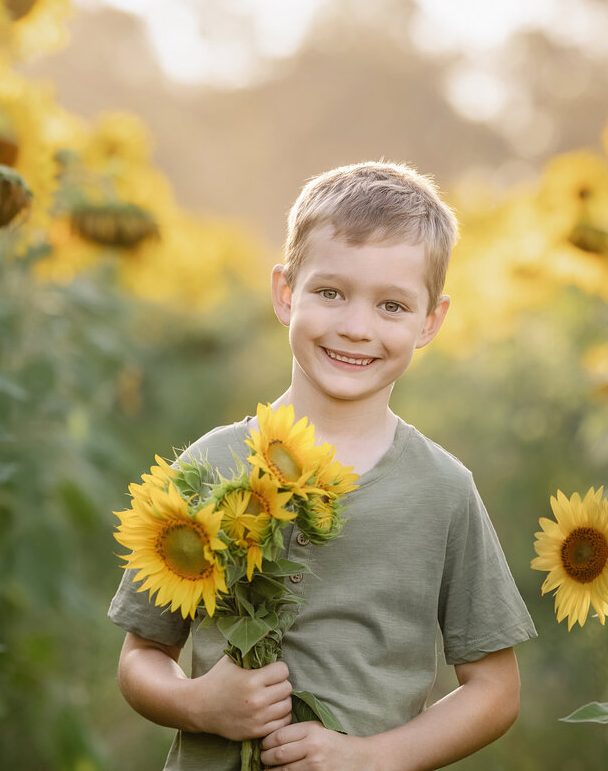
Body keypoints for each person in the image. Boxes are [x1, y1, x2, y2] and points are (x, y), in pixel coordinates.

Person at [109, 161, 536, 770]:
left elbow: (495, 689)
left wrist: (373, 759)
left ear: (430, 322)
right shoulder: (211, 466)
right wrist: (200, 704)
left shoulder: (442, 490)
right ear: (286, 294)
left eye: (392, 306)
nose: (356, 328)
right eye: (331, 293)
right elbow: (141, 654)